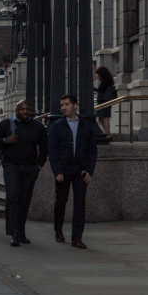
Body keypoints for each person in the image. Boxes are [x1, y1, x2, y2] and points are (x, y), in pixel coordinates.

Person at [0, 100, 48, 246]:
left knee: (25, 200)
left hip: (30, 168)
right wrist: (6, 140)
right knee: (13, 196)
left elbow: (44, 148)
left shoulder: (38, 127)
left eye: (28, 109)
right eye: (22, 109)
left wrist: (39, 166)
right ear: (16, 111)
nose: (25, 111)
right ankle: (14, 233)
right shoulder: (6, 124)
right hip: (11, 166)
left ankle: (21, 232)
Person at [49, 94, 99, 249]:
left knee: (79, 204)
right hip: (63, 171)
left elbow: (92, 150)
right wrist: (57, 171)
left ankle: (77, 238)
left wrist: (89, 171)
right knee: (61, 202)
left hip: (81, 171)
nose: (63, 107)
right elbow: (53, 151)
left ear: (75, 105)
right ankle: (58, 230)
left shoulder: (86, 125)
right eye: (62, 105)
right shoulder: (57, 126)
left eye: (66, 104)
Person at [94, 66, 116, 140]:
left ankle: (107, 134)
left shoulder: (104, 82)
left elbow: (101, 91)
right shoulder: (108, 81)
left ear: (101, 74)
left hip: (104, 102)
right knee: (102, 118)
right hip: (105, 102)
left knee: (105, 118)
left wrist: (94, 89)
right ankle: (106, 133)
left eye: (97, 74)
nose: (96, 76)